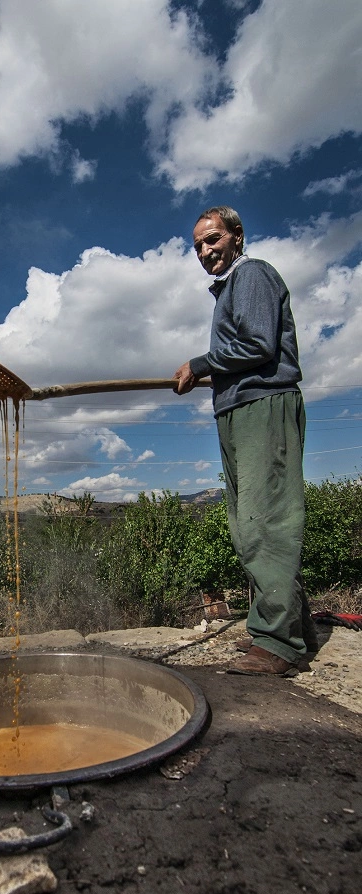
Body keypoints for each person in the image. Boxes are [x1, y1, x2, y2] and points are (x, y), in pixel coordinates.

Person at [174, 205, 317, 676]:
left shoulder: (252, 275)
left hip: (263, 406)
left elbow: (258, 345)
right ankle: (286, 628)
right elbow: (240, 350)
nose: (204, 250)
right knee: (246, 521)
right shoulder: (227, 291)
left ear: (236, 236)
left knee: (264, 520)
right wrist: (209, 370)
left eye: (212, 239)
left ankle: (278, 643)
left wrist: (200, 364)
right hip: (237, 410)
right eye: (197, 245)